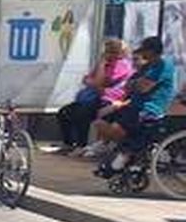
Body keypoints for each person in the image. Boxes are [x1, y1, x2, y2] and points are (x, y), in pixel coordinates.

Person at [94, 36, 176, 176]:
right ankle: (129, 152)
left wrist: (135, 84)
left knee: (118, 127)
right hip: (134, 105)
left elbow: (143, 87)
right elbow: (129, 85)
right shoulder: (148, 66)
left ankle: (126, 155)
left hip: (149, 108)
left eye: (145, 51)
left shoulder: (163, 65)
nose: (142, 54)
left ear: (152, 51)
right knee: (100, 122)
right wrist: (135, 84)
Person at [57, 38, 132, 153]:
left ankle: (81, 145)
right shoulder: (105, 64)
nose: (108, 53)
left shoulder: (122, 65)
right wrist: (95, 79)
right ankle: (68, 143)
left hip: (109, 99)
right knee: (64, 112)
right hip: (95, 97)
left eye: (112, 51)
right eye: (107, 50)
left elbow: (98, 81)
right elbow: (87, 79)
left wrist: (99, 70)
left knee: (82, 114)